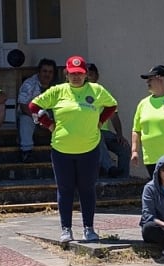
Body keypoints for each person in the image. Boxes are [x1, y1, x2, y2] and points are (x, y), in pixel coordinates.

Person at [28, 55, 118, 243]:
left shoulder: (96, 90)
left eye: (80, 73)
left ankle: (89, 228)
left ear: (86, 74)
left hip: (89, 149)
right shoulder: (58, 91)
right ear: (66, 74)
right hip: (62, 149)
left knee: (87, 189)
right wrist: (48, 124)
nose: (76, 77)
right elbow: (33, 106)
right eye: (72, 73)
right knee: (65, 189)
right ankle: (66, 229)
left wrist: (100, 121)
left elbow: (111, 106)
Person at [87, 63, 129, 178]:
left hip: (105, 133)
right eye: (86, 75)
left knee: (124, 147)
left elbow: (114, 116)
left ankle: (123, 180)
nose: (88, 78)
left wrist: (120, 135)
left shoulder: (103, 93)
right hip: (87, 134)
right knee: (97, 136)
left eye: (91, 75)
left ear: (97, 76)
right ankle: (110, 167)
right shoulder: (79, 94)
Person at [16, 58, 56, 163]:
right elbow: (23, 106)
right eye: (44, 71)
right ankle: (26, 152)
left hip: (50, 115)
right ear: (39, 72)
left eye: (50, 72)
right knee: (25, 119)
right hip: (31, 115)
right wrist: (39, 119)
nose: (47, 74)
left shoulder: (57, 86)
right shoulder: (29, 84)